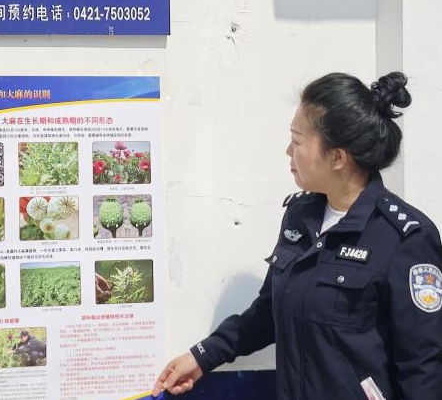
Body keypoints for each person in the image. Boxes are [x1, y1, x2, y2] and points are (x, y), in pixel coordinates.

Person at [153, 72, 442, 400]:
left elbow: (423, 368)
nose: (288, 150)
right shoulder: (300, 216)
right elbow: (269, 312)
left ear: (337, 157)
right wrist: (202, 356)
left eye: (297, 140)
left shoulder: (404, 238)